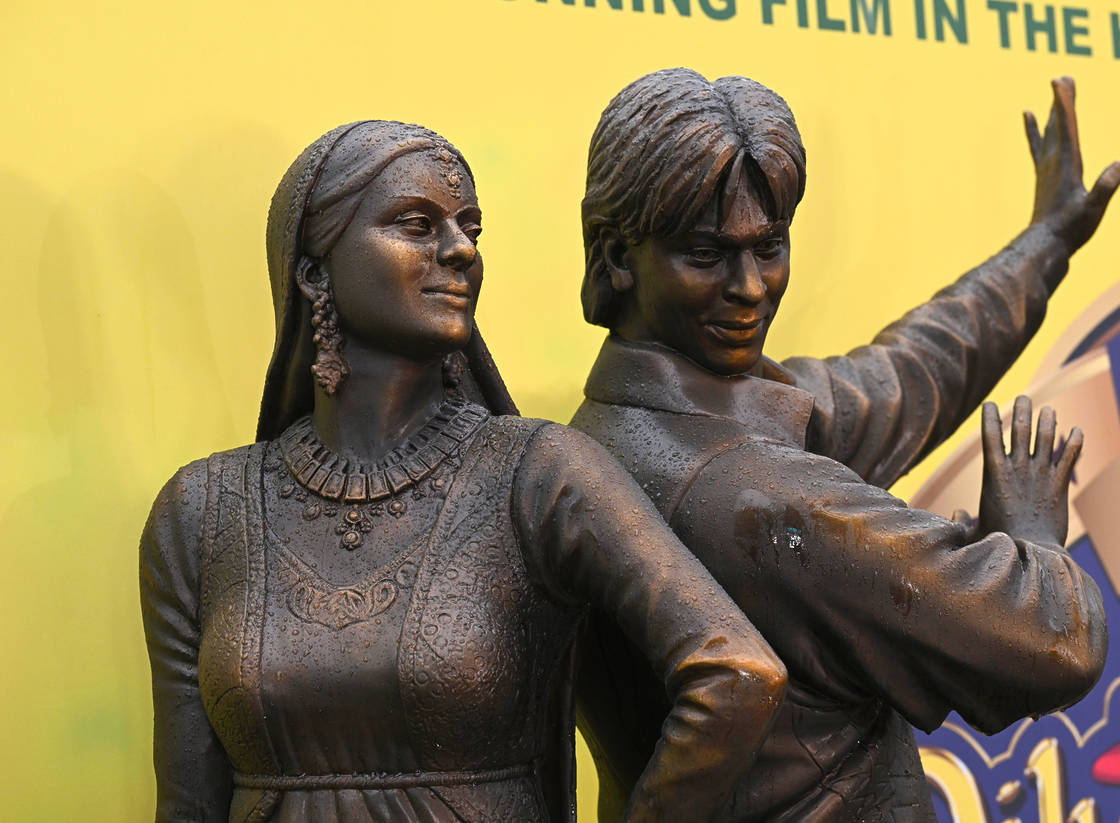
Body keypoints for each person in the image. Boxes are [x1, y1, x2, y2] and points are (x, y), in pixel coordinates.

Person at [139, 120, 787, 823]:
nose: (460, 251)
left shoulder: (536, 474)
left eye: (471, 229)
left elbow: (736, 670)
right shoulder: (203, 513)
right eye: (416, 225)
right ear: (312, 267)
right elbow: (187, 805)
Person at [570, 69, 1118, 822]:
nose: (751, 287)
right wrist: (1029, 532)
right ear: (615, 257)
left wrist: (1044, 243)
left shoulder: (609, 428)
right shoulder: (757, 498)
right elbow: (1051, 638)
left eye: (769, 247)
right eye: (705, 254)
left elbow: (907, 370)